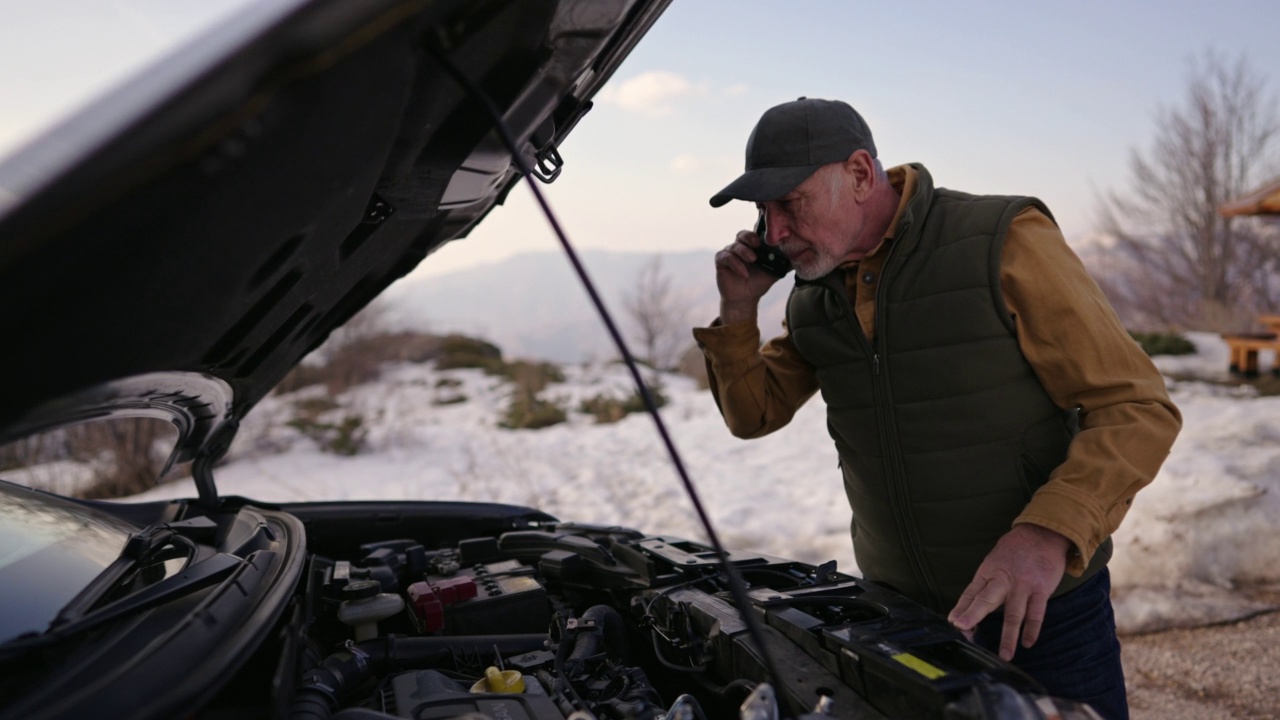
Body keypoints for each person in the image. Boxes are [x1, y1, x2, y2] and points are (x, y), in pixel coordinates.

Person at [694, 97, 1181, 719]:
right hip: (898, 618)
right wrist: (738, 311)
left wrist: (1048, 534)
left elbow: (1135, 406)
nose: (775, 230)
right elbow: (752, 415)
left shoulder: (1002, 240)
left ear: (861, 175)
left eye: (790, 202)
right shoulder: (813, 294)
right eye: (763, 211)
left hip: (1040, 613)